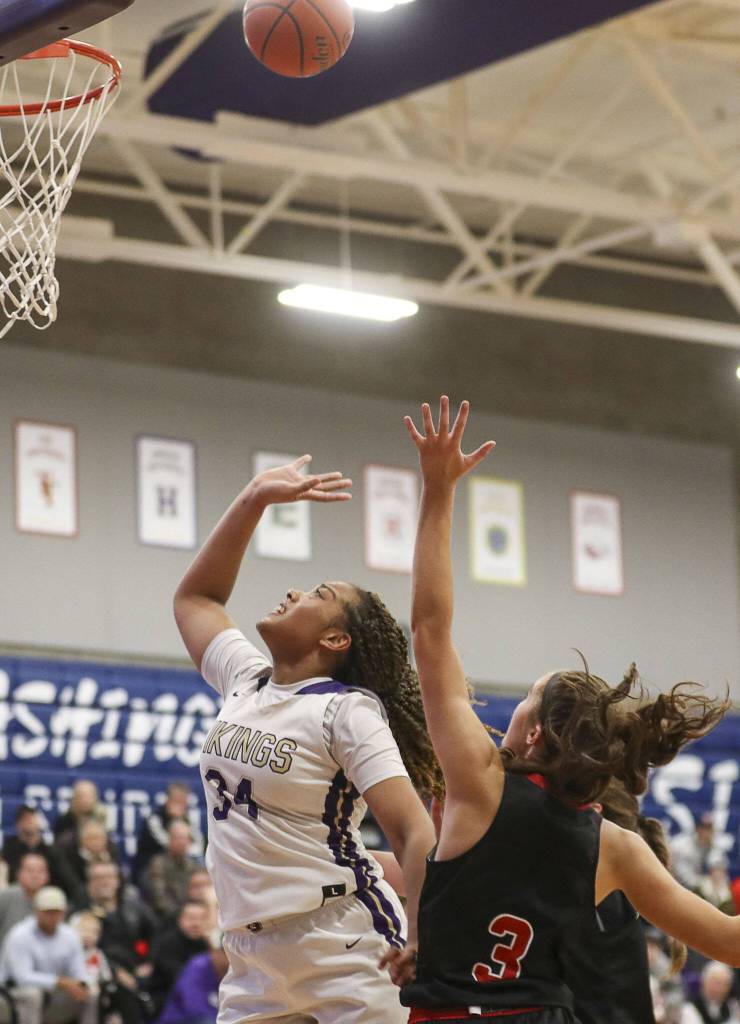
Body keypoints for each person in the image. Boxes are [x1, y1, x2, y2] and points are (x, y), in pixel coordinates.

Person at [393, 396, 737, 1024]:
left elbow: (429, 629)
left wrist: (438, 491)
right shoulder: (616, 844)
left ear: (535, 733)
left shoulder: (480, 782)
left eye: (524, 698)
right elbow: (732, 942)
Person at [173, 455, 441, 1024]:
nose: (294, 591)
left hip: (344, 941)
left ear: (335, 637)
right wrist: (253, 500)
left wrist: (419, 932)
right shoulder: (245, 679)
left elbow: (414, 829)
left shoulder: (345, 710)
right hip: (250, 957)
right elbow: (196, 600)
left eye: (317, 593)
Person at [0, 887, 94, 1024]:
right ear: (36, 911)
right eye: (47, 912)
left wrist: (82, 984)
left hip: (52, 993)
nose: (52, 916)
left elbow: (79, 970)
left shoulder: (70, 935)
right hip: (10, 994)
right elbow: (22, 977)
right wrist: (61, 982)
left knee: (91, 992)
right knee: (32, 994)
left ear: (64, 912)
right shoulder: (19, 934)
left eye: (56, 912)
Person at [145, 903, 211, 1017]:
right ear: (180, 920)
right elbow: (183, 979)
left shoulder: (207, 945)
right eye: (191, 918)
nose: (196, 924)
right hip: (168, 1003)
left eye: (201, 919)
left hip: (201, 1001)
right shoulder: (166, 944)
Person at [133, 784, 203, 884]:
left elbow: (199, 845)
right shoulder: (154, 818)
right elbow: (169, 844)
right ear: (167, 800)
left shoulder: (187, 821)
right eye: (176, 801)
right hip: (150, 870)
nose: (180, 805)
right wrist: (175, 819)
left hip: (179, 868)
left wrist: (180, 820)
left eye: (183, 801)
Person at [1, 808, 77, 898]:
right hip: (17, 897)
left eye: (32, 818)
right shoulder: (9, 850)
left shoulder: (52, 852)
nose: (29, 822)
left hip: (49, 898)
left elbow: (70, 882)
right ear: (18, 824)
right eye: (25, 819)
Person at [156, 946, 229, 1024]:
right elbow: (195, 1007)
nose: (230, 961)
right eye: (228, 956)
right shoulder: (198, 966)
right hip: (179, 1019)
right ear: (217, 953)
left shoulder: (229, 972)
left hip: (207, 1017)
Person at [144, 822, 200, 921]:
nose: (182, 842)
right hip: (167, 919)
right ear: (170, 839)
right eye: (178, 838)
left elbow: (199, 894)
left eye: (185, 838)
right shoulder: (158, 864)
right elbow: (160, 898)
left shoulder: (193, 866)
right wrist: (182, 916)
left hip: (191, 917)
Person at [0, 854, 49, 947]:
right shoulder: (6, 897)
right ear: (18, 874)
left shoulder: (51, 899)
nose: (35, 875)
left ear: (47, 876)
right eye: (29, 871)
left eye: (40, 871)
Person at [670, 814, 723, 891]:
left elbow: (719, 871)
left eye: (709, 829)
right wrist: (706, 884)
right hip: (681, 888)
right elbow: (685, 879)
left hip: (701, 887)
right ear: (697, 829)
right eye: (704, 829)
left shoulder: (714, 847)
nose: (707, 833)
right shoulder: (684, 847)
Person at [53, 783, 107, 851]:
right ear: (74, 799)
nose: (85, 800)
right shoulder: (63, 822)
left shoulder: (100, 821)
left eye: (89, 796)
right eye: (81, 796)